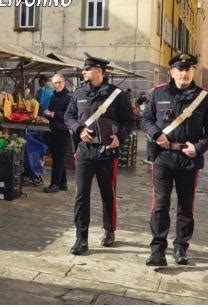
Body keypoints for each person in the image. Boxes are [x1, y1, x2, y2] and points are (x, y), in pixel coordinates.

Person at [140, 53, 208, 266]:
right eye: (180, 69)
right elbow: (145, 118)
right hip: (163, 157)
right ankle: (157, 249)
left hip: (188, 158)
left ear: (194, 72)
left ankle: (181, 247)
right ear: (172, 72)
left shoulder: (203, 97)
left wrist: (200, 147)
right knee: (160, 204)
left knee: (186, 206)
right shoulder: (158, 93)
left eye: (188, 69)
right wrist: (157, 134)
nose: (184, 73)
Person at [64, 52, 133, 255]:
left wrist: (119, 137)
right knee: (81, 195)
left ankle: (109, 231)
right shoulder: (78, 93)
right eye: (84, 69)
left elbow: (129, 121)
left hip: (107, 152)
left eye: (87, 69)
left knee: (107, 194)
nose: (84, 72)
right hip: (85, 151)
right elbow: (69, 116)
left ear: (99, 71)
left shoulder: (117, 95)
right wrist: (79, 129)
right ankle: (81, 238)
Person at [43, 74, 72, 193]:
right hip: (54, 129)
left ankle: (54, 184)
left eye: (59, 82)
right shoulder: (53, 96)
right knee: (58, 157)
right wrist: (47, 114)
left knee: (58, 158)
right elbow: (51, 110)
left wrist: (54, 114)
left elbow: (70, 115)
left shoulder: (69, 97)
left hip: (64, 131)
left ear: (64, 82)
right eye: (55, 83)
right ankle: (63, 183)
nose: (57, 85)